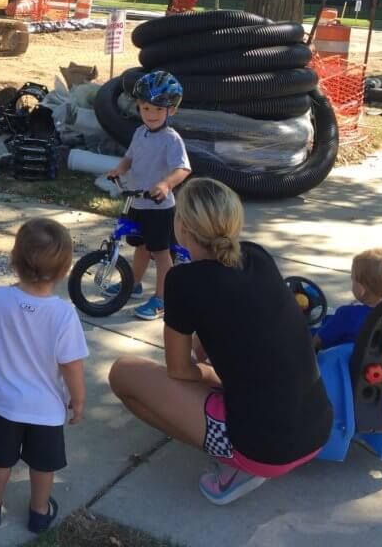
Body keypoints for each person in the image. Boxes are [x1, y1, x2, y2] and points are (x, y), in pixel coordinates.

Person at [108, 178, 333, 505]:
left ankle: (236, 464)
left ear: (182, 227)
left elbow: (180, 370)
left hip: (264, 449)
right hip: (317, 429)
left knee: (123, 373)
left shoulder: (181, 281)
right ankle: (238, 446)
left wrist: (207, 374)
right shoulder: (257, 256)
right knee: (214, 374)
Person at [0, 218, 88, 533]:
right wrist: (78, 399)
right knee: (42, 465)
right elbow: (71, 365)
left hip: (6, 404)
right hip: (46, 409)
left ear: (13, 260)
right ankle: (39, 512)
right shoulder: (63, 315)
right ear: (65, 270)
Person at [105, 71, 191, 320]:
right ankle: (133, 283)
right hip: (138, 201)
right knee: (140, 247)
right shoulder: (139, 133)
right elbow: (130, 158)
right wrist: (119, 169)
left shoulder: (171, 140)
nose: (151, 115)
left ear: (171, 110)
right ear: (138, 108)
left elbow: (183, 169)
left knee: (161, 254)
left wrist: (165, 184)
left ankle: (162, 299)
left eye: (158, 109)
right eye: (145, 108)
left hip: (159, 207)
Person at [313, 248, 382, 351]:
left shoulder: (348, 314)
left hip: (338, 357)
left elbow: (318, 341)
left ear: (361, 289)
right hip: (372, 358)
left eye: (353, 279)